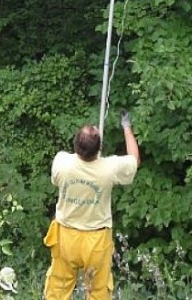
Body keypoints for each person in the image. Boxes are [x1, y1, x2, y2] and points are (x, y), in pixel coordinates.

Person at [43, 110, 140, 300]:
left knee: (58, 290)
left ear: (75, 144)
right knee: (98, 292)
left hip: (66, 237)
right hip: (96, 240)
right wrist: (127, 127)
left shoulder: (62, 162)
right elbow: (134, 160)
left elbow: (56, 181)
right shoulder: (109, 168)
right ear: (99, 148)